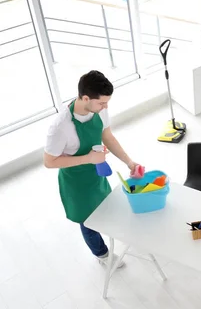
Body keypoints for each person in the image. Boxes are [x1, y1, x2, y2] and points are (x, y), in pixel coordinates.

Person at [43, 70, 140, 267]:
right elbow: (49, 162)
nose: (106, 107)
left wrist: (130, 162)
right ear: (85, 98)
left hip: (97, 172)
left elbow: (108, 137)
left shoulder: (99, 109)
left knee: (106, 207)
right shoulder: (61, 126)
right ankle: (102, 255)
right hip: (76, 181)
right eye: (102, 103)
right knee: (87, 220)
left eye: (107, 102)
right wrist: (88, 158)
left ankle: (118, 235)